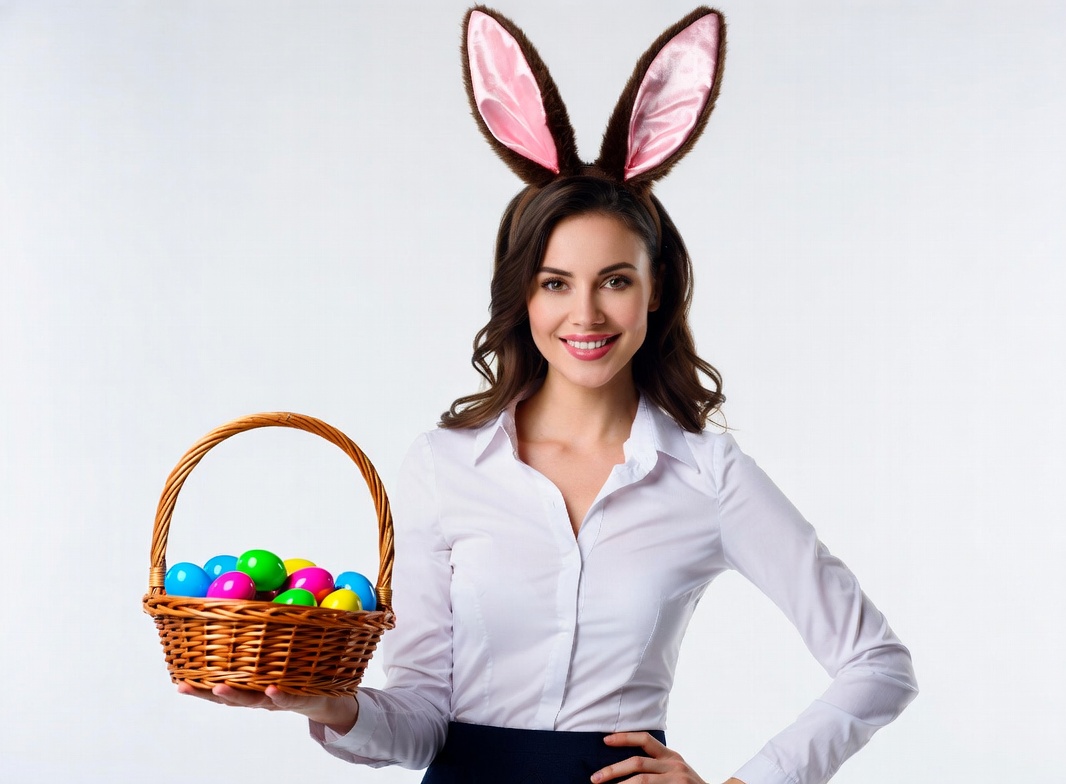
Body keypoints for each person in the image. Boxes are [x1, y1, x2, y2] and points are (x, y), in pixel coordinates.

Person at [179, 7, 918, 783]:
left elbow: (878, 664)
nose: (587, 315)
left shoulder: (710, 475)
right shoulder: (443, 467)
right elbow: (424, 722)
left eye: (616, 281)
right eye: (555, 283)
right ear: (522, 298)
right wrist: (332, 706)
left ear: (656, 290)